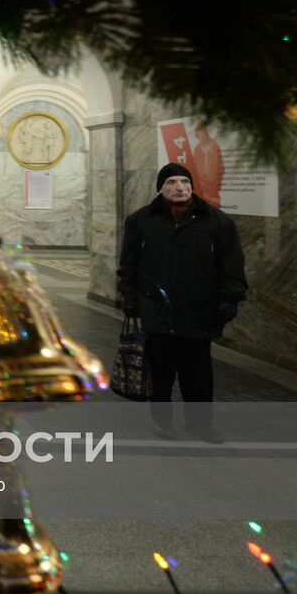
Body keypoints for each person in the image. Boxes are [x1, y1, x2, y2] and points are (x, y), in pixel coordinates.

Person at [117, 162, 247, 443]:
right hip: (156, 310)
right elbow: (128, 264)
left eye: (184, 182)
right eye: (172, 183)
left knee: (198, 374)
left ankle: (201, 424)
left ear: (192, 186)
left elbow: (232, 266)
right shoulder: (140, 221)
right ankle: (162, 422)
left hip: (198, 310)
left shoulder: (217, 222)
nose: (179, 188)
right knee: (160, 373)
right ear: (161, 188)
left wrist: (229, 300)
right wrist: (129, 296)